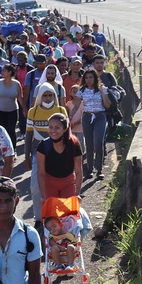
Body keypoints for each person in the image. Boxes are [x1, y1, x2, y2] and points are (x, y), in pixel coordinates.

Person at [25, 83, 67, 219]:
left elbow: (67, 133)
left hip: (59, 154)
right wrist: (26, 155)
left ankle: (59, 217)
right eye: (45, 95)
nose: (48, 98)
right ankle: (39, 217)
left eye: (50, 95)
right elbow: (29, 134)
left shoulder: (61, 110)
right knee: (36, 187)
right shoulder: (33, 111)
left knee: (59, 185)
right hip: (38, 153)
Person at [37, 113, 83, 208]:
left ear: (65, 128)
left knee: (68, 215)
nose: (53, 130)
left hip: (68, 183)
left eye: (57, 127)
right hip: (49, 184)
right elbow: (41, 173)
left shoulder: (74, 144)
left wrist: (77, 193)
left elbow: (78, 171)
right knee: (51, 216)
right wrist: (43, 196)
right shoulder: (43, 146)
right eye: (50, 127)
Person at [75, 70, 111, 180]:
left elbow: (107, 105)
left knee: (98, 142)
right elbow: (76, 105)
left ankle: (99, 170)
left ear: (95, 78)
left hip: (99, 116)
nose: (88, 80)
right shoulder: (81, 91)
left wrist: (102, 92)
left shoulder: (102, 89)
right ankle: (89, 169)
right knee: (89, 144)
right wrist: (69, 116)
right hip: (87, 117)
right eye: (86, 78)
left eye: (91, 77)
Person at [0, 64, 23, 151]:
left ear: (10, 72)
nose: (2, 72)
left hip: (12, 111)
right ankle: (1, 149)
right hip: (0, 111)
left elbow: (20, 97)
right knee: (1, 131)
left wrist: (24, 109)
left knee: (11, 131)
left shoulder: (17, 84)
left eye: (4, 71)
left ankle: (13, 150)